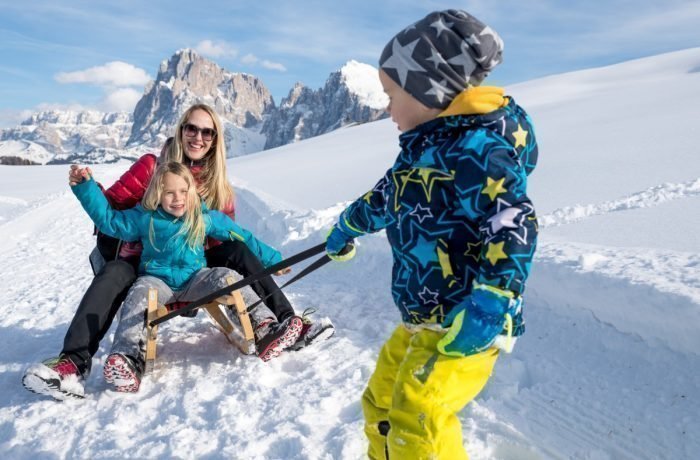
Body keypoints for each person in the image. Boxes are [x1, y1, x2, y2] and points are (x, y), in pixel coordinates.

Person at [325, 10, 539, 459]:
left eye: (391, 95)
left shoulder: (478, 151)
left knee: (418, 412)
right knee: (381, 401)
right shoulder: (426, 148)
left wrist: (495, 296)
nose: (386, 108)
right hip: (422, 316)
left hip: (467, 318)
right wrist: (349, 225)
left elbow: (514, 218)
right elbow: (390, 195)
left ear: (428, 92)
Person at [23, 103, 334, 400]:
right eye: (192, 128)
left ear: (215, 140)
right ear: (181, 129)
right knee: (115, 276)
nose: (198, 137)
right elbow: (112, 213)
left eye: (207, 132)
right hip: (144, 262)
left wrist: (269, 259)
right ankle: (76, 364)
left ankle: (280, 324)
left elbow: (231, 231)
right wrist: (88, 187)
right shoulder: (150, 169)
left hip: (194, 266)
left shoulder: (213, 183)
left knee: (236, 252)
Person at [78, 161, 288, 393]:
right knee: (139, 296)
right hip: (157, 280)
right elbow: (110, 221)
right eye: (169, 192)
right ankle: (128, 356)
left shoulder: (201, 217)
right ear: (158, 193)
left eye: (183, 192)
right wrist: (86, 188)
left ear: (192, 192)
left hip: (196, 278)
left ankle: (264, 327)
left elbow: (242, 237)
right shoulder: (144, 217)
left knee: (228, 277)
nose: (177, 198)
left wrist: (272, 259)